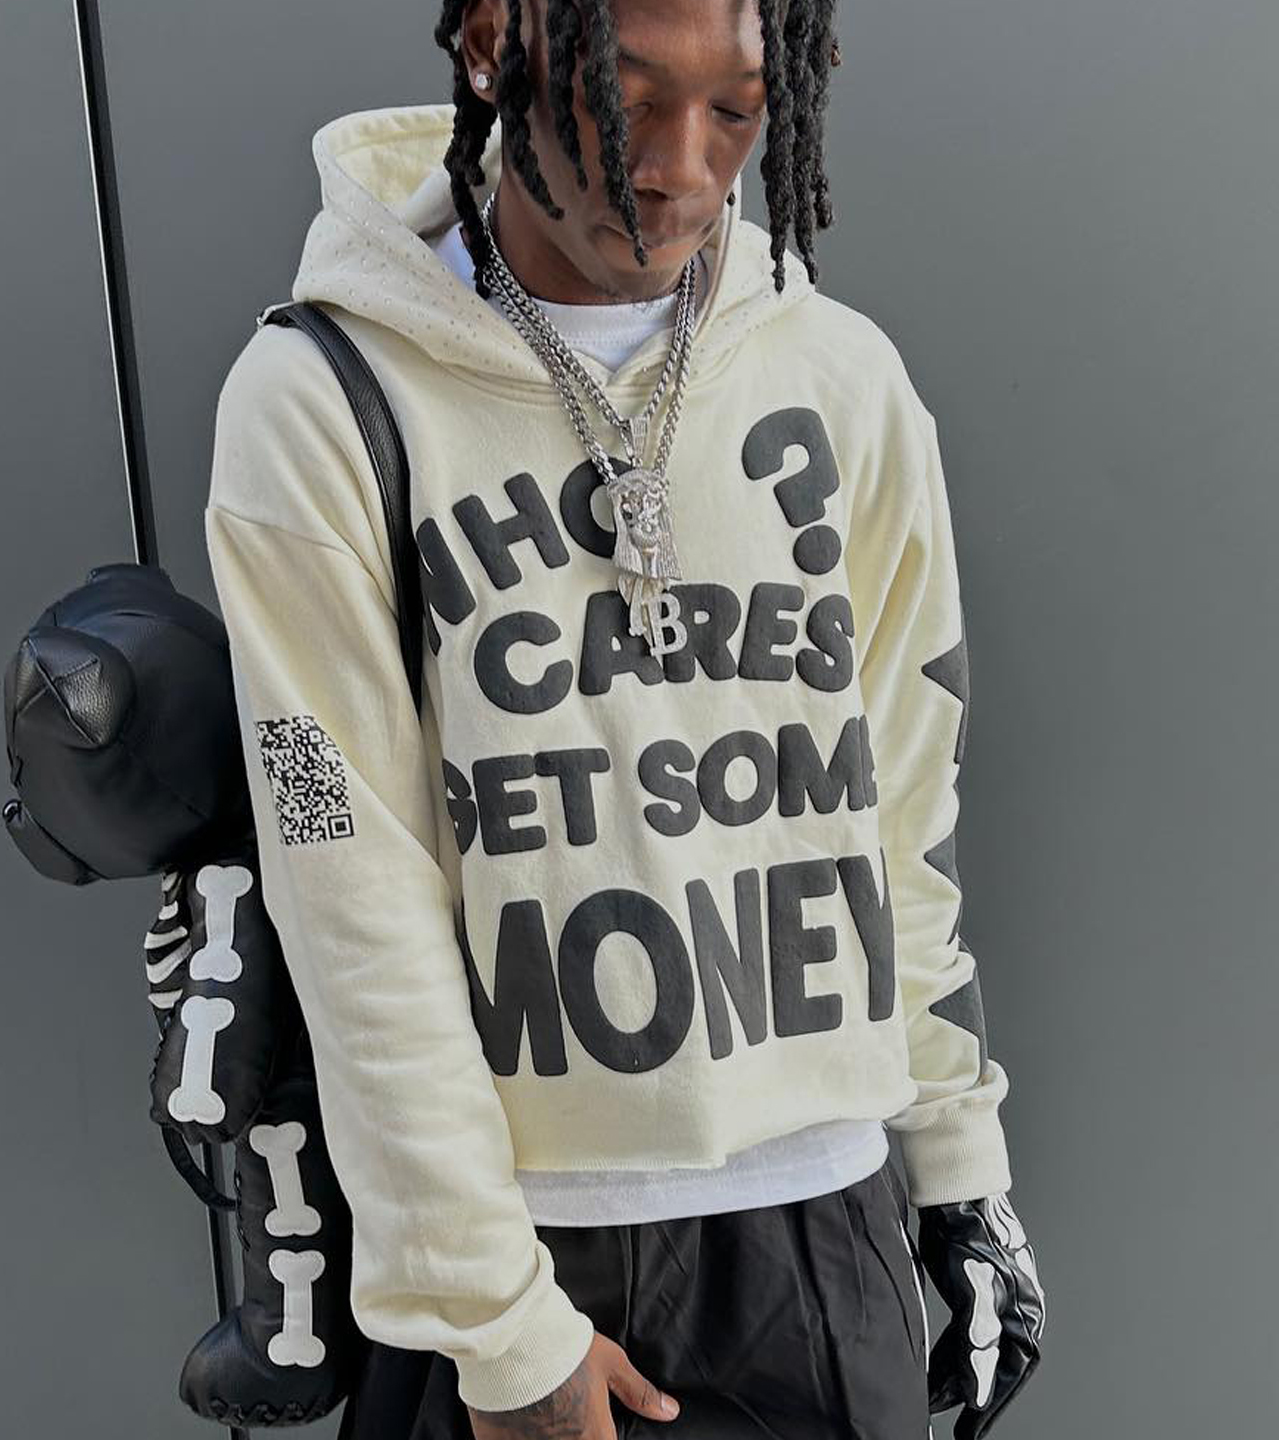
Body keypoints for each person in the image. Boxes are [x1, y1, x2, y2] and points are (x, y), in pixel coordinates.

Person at [202, 1, 1044, 1436]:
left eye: (738, 110)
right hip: (520, 1255)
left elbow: (904, 816)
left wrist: (962, 1170)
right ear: (491, 45)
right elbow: (346, 884)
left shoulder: (841, 381)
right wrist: (500, 1326)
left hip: (823, 1232)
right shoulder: (321, 404)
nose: (680, 168)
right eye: (626, 98)